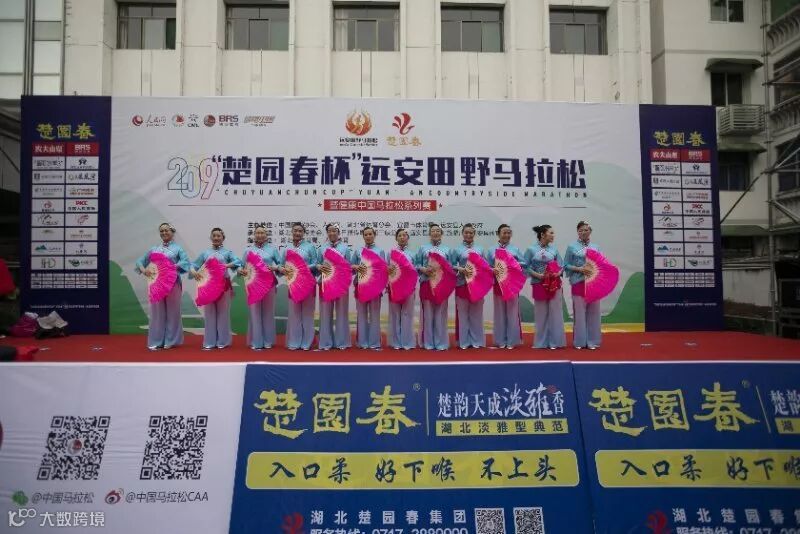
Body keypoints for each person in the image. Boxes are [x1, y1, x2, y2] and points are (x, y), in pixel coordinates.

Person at [135, 222, 190, 351]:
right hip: (156, 284)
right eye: (161, 231)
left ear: (172, 232)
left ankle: (171, 340)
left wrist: (172, 266)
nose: (164, 233)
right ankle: (156, 340)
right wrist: (143, 270)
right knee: (157, 312)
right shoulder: (155, 249)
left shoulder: (178, 249)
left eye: (166, 230)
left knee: (173, 312)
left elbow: (185, 262)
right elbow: (140, 261)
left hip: (173, 283)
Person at [190, 227, 242, 350]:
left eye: (219, 236)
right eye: (214, 235)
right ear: (211, 238)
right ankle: (209, 341)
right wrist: (194, 272)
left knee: (223, 313)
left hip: (223, 285)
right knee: (209, 313)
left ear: (223, 238)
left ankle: (223, 341)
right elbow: (193, 265)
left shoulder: (227, 252)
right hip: (208, 286)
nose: (216, 238)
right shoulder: (205, 253)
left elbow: (238, 262)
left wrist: (226, 265)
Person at [238, 225, 281, 351]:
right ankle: (256, 341)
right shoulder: (248, 250)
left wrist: (275, 268)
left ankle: (268, 341)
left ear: (266, 235)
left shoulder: (272, 250)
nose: (260, 235)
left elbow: (280, 264)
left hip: (269, 284)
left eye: (262, 233)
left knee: (268, 312)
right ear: (254, 235)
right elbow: (241, 265)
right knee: (254, 312)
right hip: (253, 285)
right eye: (258, 233)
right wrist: (240, 270)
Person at [524, 224, 566, 349]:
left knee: (555, 312)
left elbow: (562, 265)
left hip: (554, 284)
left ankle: (555, 342)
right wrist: (537, 275)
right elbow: (525, 266)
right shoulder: (531, 249)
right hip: (538, 283)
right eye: (551, 233)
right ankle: (541, 342)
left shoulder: (554, 250)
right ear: (542, 234)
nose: (553, 235)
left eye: (553, 233)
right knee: (541, 313)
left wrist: (557, 273)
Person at [486, 224, 525, 349]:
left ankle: (512, 340)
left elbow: (524, 263)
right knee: (499, 312)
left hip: (512, 284)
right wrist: (493, 269)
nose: (507, 235)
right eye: (504, 233)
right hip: (498, 284)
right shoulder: (491, 250)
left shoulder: (515, 249)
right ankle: (500, 340)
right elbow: (486, 266)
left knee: (512, 312)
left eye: (509, 233)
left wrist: (514, 263)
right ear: (498, 234)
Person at [564, 221, 602, 350]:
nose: (583, 232)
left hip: (593, 283)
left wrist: (594, 269)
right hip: (578, 282)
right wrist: (579, 269)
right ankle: (579, 341)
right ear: (577, 232)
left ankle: (592, 341)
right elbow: (566, 265)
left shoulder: (596, 247)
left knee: (594, 312)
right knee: (579, 313)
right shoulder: (572, 247)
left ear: (590, 231)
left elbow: (601, 263)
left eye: (586, 230)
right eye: (580, 230)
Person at [281, 222, 318, 351]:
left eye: (300, 231)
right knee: (294, 313)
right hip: (293, 283)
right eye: (295, 230)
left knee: (307, 313)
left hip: (307, 282)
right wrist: (282, 269)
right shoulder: (287, 248)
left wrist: (301, 268)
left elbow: (315, 263)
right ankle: (294, 342)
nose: (297, 233)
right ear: (292, 232)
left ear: (303, 233)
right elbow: (282, 264)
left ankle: (307, 342)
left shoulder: (310, 247)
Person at [416, 223, 452, 351]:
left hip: (442, 285)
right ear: (429, 233)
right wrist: (423, 269)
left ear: (441, 234)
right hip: (427, 283)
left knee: (440, 313)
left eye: (438, 231)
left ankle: (440, 342)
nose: (435, 233)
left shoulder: (447, 249)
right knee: (428, 313)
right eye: (433, 231)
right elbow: (416, 264)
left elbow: (451, 267)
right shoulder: (423, 248)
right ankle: (428, 342)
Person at [317, 223, 352, 350]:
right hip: (325, 282)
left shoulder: (345, 248)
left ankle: (341, 342)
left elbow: (349, 266)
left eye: (334, 231)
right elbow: (317, 263)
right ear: (327, 233)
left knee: (342, 312)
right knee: (325, 312)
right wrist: (319, 266)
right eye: (329, 231)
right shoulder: (321, 248)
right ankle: (326, 342)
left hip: (341, 284)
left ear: (338, 233)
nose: (332, 233)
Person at [451, 223, 486, 349]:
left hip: (477, 285)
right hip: (462, 283)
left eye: (471, 233)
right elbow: (451, 265)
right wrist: (461, 269)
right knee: (463, 314)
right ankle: (464, 341)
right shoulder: (457, 250)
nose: (468, 235)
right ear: (462, 234)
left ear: (474, 234)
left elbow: (485, 266)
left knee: (476, 314)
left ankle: (477, 341)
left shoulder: (480, 249)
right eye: (466, 232)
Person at [351, 226, 386, 350]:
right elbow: (350, 266)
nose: (368, 236)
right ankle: (362, 342)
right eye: (365, 234)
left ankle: (374, 342)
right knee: (361, 313)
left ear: (374, 235)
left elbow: (383, 269)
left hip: (375, 286)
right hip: (360, 285)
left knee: (374, 314)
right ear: (363, 236)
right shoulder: (358, 251)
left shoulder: (380, 251)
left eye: (370, 234)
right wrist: (355, 267)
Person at [387, 228, 416, 350]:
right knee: (395, 314)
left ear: (408, 238)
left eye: (404, 235)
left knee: (407, 314)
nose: (402, 237)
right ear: (396, 238)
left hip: (409, 288)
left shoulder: (413, 254)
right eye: (400, 235)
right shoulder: (391, 253)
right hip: (394, 287)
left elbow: (417, 269)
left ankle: (407, 341)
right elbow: (386, 270)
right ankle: (396, 342)